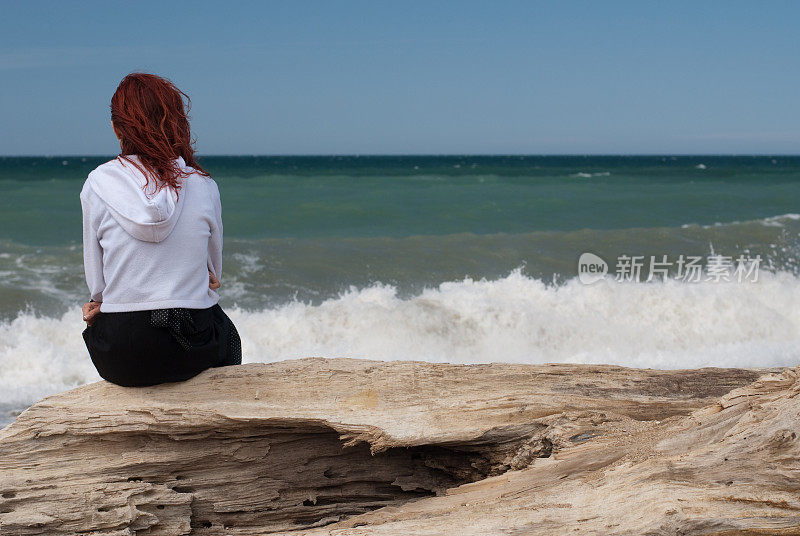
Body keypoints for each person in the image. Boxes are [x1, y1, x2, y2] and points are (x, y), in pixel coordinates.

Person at [80, 72, 241, 387]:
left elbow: (97, 284)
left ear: (116, 128)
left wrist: (101, 300)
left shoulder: (98, 182)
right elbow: (214, 273)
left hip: (121, 357)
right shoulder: (202, 183)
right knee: (228, 335)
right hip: (191, 346)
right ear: (176, 124)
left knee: (97, 315)